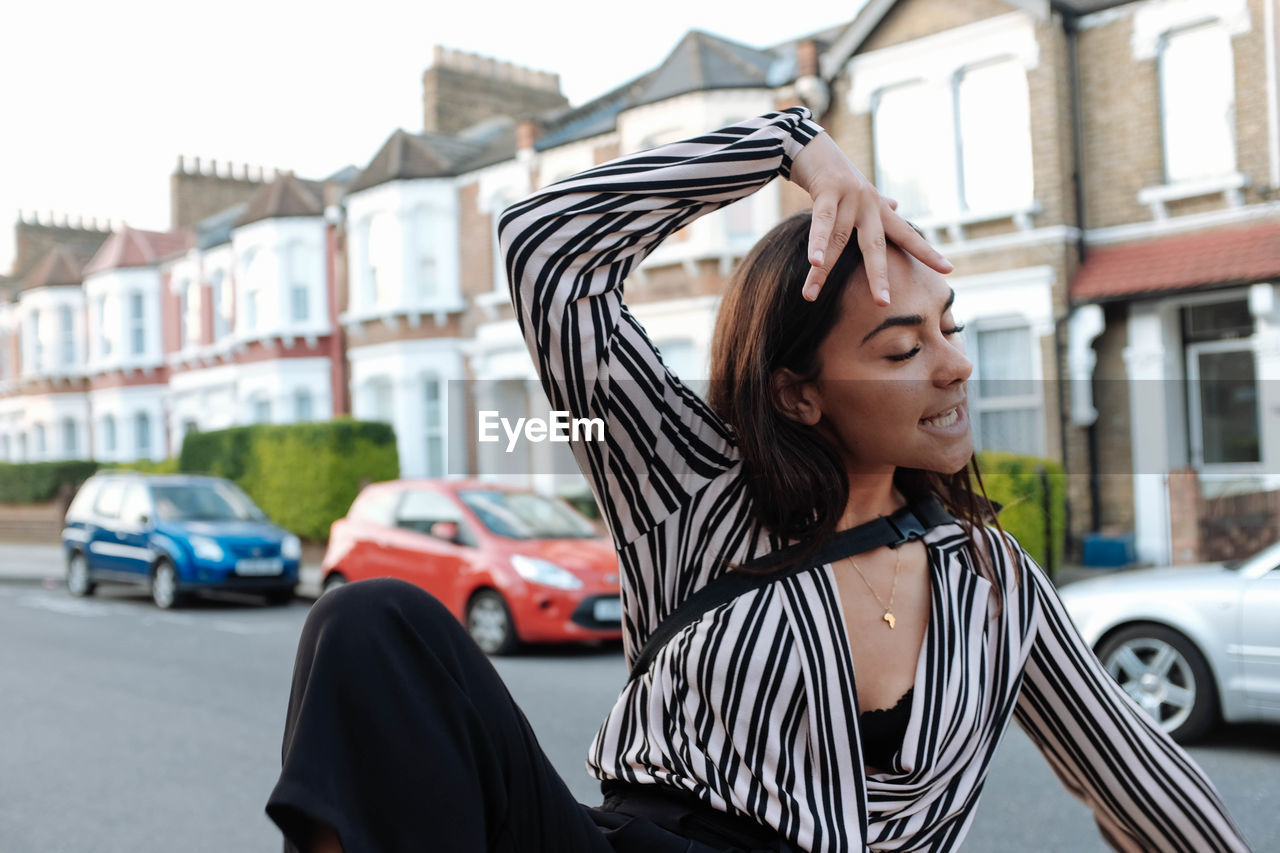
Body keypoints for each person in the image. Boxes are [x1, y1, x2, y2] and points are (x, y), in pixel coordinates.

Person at [266, 108, 1253, 852]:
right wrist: (790, 147)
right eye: (900, 347)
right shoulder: (690, 486)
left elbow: (1144, 787)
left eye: (946, 330)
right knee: (371, 625)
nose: (952, 366)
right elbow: (547, 250)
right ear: (798, 391)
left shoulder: (990, 580)